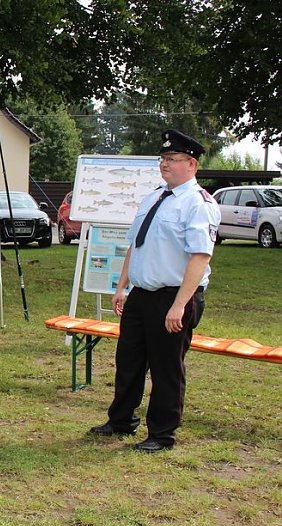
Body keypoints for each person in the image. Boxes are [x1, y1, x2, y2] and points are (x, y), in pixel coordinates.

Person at [88, 129, 221, 453]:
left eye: (172, 160)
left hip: (173, 295)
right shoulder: (155, 197)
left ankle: (162, 433)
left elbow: (200, 257)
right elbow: (137, 244)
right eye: (162, 159)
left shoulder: (198, 204)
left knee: (166, 368)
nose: (165, 165)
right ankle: (121, 420)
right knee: (128, 361)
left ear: (191, 164)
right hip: (142, 294)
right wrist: (122, 286)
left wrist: (179, 305)